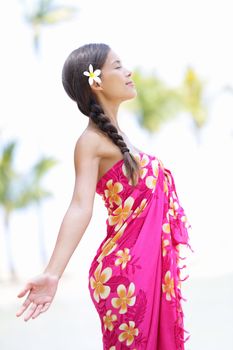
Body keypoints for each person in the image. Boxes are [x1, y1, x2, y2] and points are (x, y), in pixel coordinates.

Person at [16, 43, 194, 349]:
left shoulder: (121, 139)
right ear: (95, 81)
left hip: (146, 273)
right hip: (126, 276)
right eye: (118, 66)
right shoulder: (89, 142)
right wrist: (52, 273)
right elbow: (79, 206)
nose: (128, 72)